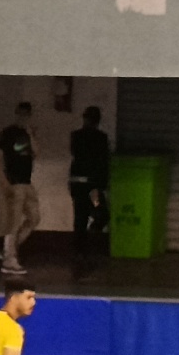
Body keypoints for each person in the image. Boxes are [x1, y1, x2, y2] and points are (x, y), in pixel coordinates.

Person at [68, 108, 112, 275]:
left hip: (77, 183)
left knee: (80, 216)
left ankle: (80, 251)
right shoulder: (101, 138)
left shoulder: (76, 136)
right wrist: (101, 184)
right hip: (92, 185)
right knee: (101, 213)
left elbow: (75, 154)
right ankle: (90, 241)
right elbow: (102, 161)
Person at [0, 102, 38, 275]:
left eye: (26, 114)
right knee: (14, 220)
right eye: (20, 114)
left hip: (27, 182)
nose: (23, 117)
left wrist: (30, 134)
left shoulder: (28, 133)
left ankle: (8, 251)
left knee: (34, 218)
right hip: (14, 181)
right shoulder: (8, 133)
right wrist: (3, 180)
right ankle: (9, 260)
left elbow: (36, 152)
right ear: (16, 113)